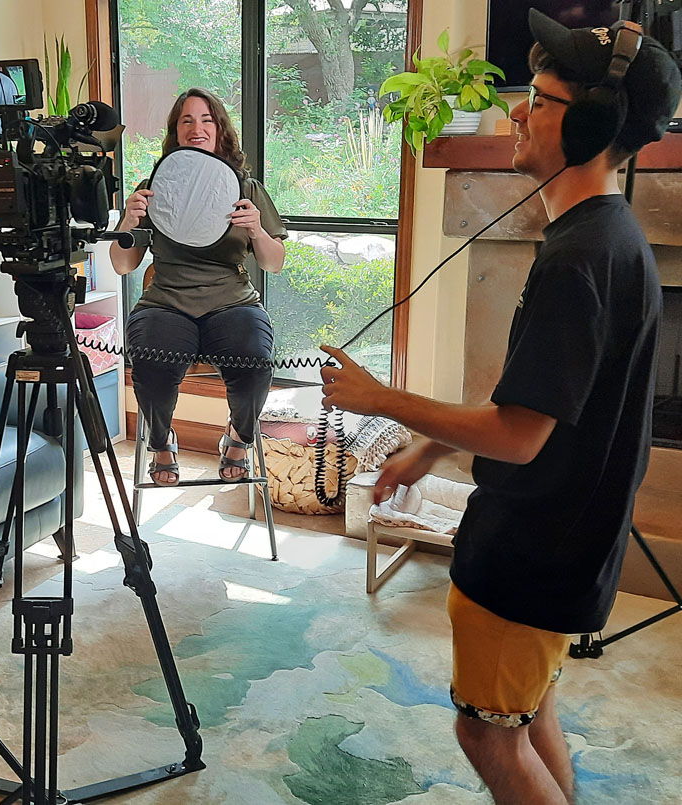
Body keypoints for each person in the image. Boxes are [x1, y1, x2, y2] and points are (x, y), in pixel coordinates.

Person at [318, 12, 680, 804]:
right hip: (569, 542)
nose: (517, 110)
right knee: (527, 706)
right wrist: (432, 449)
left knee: (486, 732)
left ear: (589, 127)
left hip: (533, 551)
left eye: (541, 101)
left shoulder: (579, 260)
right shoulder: (608, 237)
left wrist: (382, 399)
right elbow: (538, 395)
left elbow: (517, 437)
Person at [110, 88, 287, 486]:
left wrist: (257, 228)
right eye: (186, 120)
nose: (197, 128)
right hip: (166, 303)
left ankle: (238, 439)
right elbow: (123, 265)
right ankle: (161, 442)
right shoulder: (153, 188)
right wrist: (129, 222)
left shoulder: (246, 188)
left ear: (220, 129)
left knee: (255, 361)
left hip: (232, 302)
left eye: (206, 119)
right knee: (151, 363)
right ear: (175, 131)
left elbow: (273, 263)